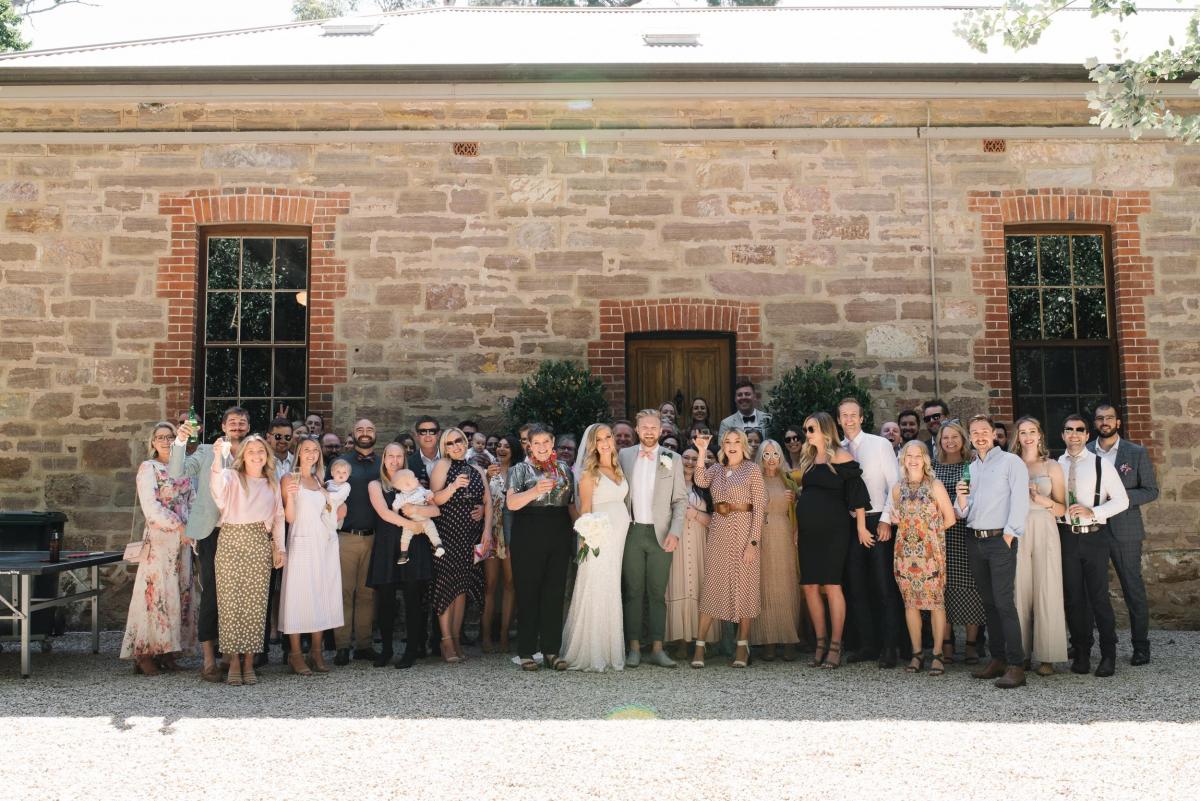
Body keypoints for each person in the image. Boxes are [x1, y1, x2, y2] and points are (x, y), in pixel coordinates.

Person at [170, 406, 249, 683]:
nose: (237, 426)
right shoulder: (205, 451)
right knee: (213, 592)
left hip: (243, 531)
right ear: (223, 425)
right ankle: (207, 660)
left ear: (248, 427)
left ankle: (232, 656)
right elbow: (176, 470)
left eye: (242, 422)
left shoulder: (254, 451)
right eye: (232, 422)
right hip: (211, 531)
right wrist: (180, 441)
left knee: (238, 594)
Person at [955, 414, 1030, 689]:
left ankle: (1016, 665)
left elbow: (1021, 501)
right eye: (974, 432)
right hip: (975, 540)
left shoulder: (1011, 463)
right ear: (970, 437)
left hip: (1000, 540)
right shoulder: (971, 468)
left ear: (995, 433)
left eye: (984, 431)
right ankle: (997, 659)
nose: (980, 436)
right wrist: (961, 498)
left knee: (1003, 603)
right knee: (988, 603)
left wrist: (1009, 536)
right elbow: (961, 511)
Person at [209, 434, 286, 686]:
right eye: (251, 451)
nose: (256, 455)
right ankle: (232, 661)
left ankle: (249, 662)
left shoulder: (271, 482)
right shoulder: (231, 476)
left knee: (255, 604)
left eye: (260, 451)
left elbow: (278, 516)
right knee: (230, 604)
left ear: (267, 455)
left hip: (258, 541)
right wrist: (217, 459)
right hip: (231, 539)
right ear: (243, 455)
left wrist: (279, 548)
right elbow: (217, 492)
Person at [794, 412, 869, 670]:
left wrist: (860, 527)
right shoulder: (809, 459)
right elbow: (806, 494)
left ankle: (836, 645)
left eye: (811, 428)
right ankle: (820, 642)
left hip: (835, 531)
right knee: (809, 586)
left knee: (832, 584)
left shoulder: (842, 456)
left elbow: (858, 494)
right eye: (805, 429)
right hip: (808, 533)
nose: (807, 434)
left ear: (824, 428)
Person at [122, 422, 197, 676]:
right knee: (154, 596)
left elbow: (193, 500)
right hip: (160, 541)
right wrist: (179, 526)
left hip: (184, 542)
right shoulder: (148, 468)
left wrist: (195, 528)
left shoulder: (185, 468)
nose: (166, 441)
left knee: (179, 594)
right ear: (152, 442)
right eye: (160, 437)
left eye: (171, 437)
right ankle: (144, 653)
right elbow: (151, 509)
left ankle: (168, 651)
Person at [1059, 414, 1129, 678]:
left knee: (1099, 598)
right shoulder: (1057, 465)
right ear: (1063, 435)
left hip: (1095, 536)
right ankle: (1082, 652)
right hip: (1066, 536)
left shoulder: (1101, 464)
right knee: (1074, 598)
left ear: (1087, 435)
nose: (1074, 434)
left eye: (1080, 430)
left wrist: (1094, 511)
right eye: (1069, 430)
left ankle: (1108, 654)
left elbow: (1121, 501)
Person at [1088, 403, 1158, 665]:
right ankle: (1086, 645)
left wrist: (1117, 498)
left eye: (1109, 418)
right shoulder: (1085, 451)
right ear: (1094, 423)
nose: (1104, 422)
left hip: (1125, 530)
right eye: (1099, 418)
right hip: (1091, 530)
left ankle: (1140, 646)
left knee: (1133, 588)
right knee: (1090, 589)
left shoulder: (1136, 452)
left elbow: (1151, 490)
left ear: (1118, 422)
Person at [690, 428, 765, 669]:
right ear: (722, 445)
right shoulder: (718, 469)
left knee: (745, 587)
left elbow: (760, 508)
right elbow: (700, 480)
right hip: (719, 532)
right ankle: (699, 646)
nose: (732, 445)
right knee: (714, 585)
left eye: (736, 441)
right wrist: (702, 451)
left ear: (744, 445)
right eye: (727, 441)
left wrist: (753, 543)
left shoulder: (752, 470)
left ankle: (742, 646)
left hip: (744, 532)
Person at [618, 409, 687, 669]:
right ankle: (633, 648)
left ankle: (658, 648)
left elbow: (680, 500)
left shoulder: (673, 458)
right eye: (644, 426)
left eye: (653, 427)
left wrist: (675, 532)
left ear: (661, 431)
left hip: (661, 535)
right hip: (631, 532)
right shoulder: (623, 455)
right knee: (633, 592)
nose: (649, 431)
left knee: (658, 593)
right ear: (637, 429)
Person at [560, 424, 630, 672]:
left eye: (607, 437)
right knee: (596, 586)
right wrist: (587, 540)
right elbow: (585, 511)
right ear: (592, 444)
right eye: (599, 439)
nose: (604, 442)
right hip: (599, 537)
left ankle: (610, 649)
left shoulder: (618, 467)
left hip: (620, 535)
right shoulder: (590, 472)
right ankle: (591, 650)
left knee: (611, 587)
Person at [840, 398, 902, 669]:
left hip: (878, 519)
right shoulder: (837, 449)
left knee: (883, 586)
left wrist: (887, 521)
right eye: (844, 415)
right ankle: (867, 644)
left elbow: (895, 486)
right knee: (856, 585)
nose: (849, 419)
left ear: (862, 418)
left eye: (854, 415)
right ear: (839, 419)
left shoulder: (880, 445)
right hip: (849, 524)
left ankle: (890, 646)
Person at [366, 442, 441, 669]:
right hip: (388, 545)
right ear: (384, 458)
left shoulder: (415, 483)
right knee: (386, 600)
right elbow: (384, 513)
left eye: (399, 456)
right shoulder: (376, 485)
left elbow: (436, 510)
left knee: (413, 599)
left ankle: (411, 650)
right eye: (391, 456)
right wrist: (412, 524)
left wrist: (417, 512)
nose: (395, 460)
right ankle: (386, 648)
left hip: (413, 547)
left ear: (404, 459)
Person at [507, 424, 575, 671]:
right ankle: (526, 651)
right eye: (537, 443)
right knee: (528, 591)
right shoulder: (519, 469)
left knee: (554, 592)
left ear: (553, 441)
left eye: (546, 442)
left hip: (558, 530)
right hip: (528, 530)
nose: (543, 447)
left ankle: (551, 651)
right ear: (529, 445)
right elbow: (512, 503)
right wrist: (535, 490)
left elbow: (571, 504)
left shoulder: (566, 469)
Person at [279, 436, 349, 675]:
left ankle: (316, 651)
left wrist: (338, 510)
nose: (311, 454)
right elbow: (289, 518)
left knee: (322, 594)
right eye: (307, 450)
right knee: (298, 596)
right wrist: (289, 497)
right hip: (301, 541)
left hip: (325, 542)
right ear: (298, 452)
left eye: (315, 450)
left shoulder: (320, 480)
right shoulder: (290, 478)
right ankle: (295, 654)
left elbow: (328, 511)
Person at [890, 440, 956, 676]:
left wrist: (930, 536)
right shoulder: (898, 488)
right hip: (905, 554)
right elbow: (896, 516)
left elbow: (950, 519)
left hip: (930, 553)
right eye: (909, 455)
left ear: (925, 459)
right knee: (911, 604)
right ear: (903, 459)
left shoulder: (935, 485)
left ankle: (937, 654)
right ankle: (917, 654)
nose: (914, 460)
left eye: (918, 455)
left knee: (936, 603)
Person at [1011, 416, 1068, 676]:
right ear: (1017, 437)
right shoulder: (1010, 464)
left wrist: (1042, 500)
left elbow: (1062, 508)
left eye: (1032, 431)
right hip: (1016, 528)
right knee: (1018, 591)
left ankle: (1047, 655)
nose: (1028, 436)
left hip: (1044, 525)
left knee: (1047, 588)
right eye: (1023, 432)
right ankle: (1019, 654)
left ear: (1040, 435)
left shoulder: (1052, 466)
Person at [429, 427, 491, 663]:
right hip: (447, 533)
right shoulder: (442, 466)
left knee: (462, 589)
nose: (457, 446)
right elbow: (434, 500)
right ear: (444, 447)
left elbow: (488, 502)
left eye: (460, 441)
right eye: (451, 443)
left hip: (470, 535)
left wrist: (486, 530)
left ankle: (455, 638)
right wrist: (453, 487)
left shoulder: (476, 469)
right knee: (447, 587)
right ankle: (445, 641)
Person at [931, 421, 985, 664]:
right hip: (940, 536)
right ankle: (947, 642)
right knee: (943, 589)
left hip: (966, 532)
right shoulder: (931, 468)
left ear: (963, 440)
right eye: (945, 438)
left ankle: (972, 644)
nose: (950, 441)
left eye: (955, 437)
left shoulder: (972, 466)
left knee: (971, 586)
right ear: (939, 441)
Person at [748, 439, 803, 662]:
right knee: (764, 585)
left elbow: (801, 507)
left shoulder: (788, 480)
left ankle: (789, 640)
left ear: (781, 457)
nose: (771, 459)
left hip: (785, 536)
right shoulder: (755, 481)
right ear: (760, 457)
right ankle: (768, 641)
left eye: (775, 454)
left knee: (786, 585)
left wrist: (796, 498)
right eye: (766, 454)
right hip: (761, 535)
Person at [333, 419, 381, 666]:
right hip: (346, 537)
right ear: (352, 433)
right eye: (360, 429)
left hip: (374, 537)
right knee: (343, 593)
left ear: (375, 434)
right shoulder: (341, 464)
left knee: (367, 594)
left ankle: (364, 644)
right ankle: (342, 645)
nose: (365, 433)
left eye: (369, 429)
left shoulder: (384, 464)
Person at [665, 446, 719, 660]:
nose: (688, 462)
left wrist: (695, 513)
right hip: (675, 543)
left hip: (700, 541)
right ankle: (680, 640)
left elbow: (716, 521)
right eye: (685, 457)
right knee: (676, 584)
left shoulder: (708, 488)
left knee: (699, 585)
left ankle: (701, 639)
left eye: (694, 459)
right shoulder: (670, 485)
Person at [482, 434, 521, 653]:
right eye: (498, 446)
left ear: (513, 450)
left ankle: (505, 635)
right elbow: (480, 499)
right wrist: (486, 477)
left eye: (507, 446)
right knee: (490, 585)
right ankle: (486, 636)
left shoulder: (520, 472)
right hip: (492, 531)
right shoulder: (489, 471)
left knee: (510, 585)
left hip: (513, 532)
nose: (501, 449)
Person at [390, 470, 444, 564]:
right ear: (407, 484)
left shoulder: (420, 490)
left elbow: (429, 493)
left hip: (425, 519)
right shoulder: (401, 497)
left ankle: (438, 545)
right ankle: (404, 554)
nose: (417, 478)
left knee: (432, 531)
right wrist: (397, 518)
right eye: (414, 478)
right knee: (405, 537)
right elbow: (395, 507)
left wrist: (430, 495)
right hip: (412, 521)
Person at [408, 416, 441, 488]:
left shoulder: (448, 458)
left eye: (432, 431)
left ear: (438, 435)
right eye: (423, 432)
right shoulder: (408, 463)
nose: (428, 435)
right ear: (417, 436)